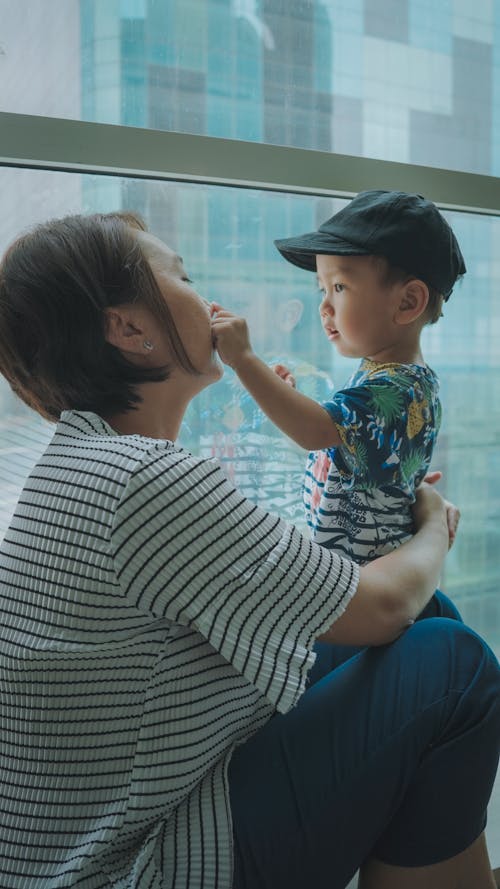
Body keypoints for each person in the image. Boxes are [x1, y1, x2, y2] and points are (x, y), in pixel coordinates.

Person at [0, 211, 498, 889]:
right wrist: (433, 528)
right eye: (183, 275)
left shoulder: (87, 464)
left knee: (428, 616)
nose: (206, 297)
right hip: (134, 864)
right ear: (130, 330)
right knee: (455, 664)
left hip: (114, 821)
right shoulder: (141, 479)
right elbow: (378, 606)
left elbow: (294, 583)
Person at [211, 190, 466, 563]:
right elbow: (345, 446)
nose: (324, 305)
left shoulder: (395, 389)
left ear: (408, 302)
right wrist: (287, 398)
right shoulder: (398, 379)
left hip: (366, 585)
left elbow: (315, 431)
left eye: (340, 287)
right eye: (322, 288)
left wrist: (245, 359)